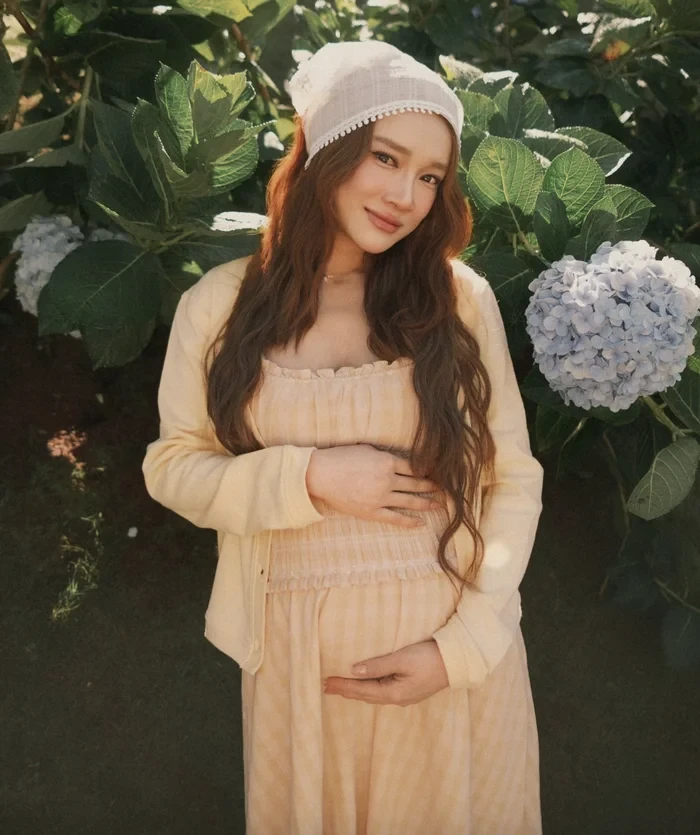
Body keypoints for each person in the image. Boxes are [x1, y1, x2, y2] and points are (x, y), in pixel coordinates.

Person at [142, 39, 544, 834]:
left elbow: (514, 480)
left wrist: (461, 647)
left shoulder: (458, 300)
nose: (406, 195)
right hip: (300, 670)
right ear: (324, 149)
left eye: (429, 177)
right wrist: (309, 477)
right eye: (385, 157)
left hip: (453, 662)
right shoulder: (220, 307)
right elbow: (173, 466)